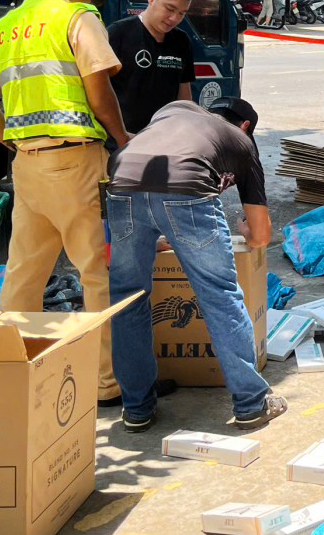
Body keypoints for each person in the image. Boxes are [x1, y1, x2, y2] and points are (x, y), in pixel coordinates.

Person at [0, 0, 132, 404]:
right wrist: (122, 137)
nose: (97, 0)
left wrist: (17, 142)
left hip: (27, 166)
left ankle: (17, 373)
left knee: (24, 273)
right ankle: (105, 383)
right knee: (95, 272)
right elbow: (99, 91)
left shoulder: (3, 29)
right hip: (75, 161)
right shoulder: (77, 17)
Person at [106, 97, 287, 432]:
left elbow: (146, 182)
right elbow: (261, 236)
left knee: (127, 300)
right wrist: (244, 229)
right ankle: (251, 403)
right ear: (245, 125)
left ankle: (136, 409)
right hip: (186, 192)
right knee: (220, 296)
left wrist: (158, 232)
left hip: (121, 184)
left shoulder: (171, 111)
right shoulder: (241, 142)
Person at [107, 0, 197, 132]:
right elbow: (100, 90)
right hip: (122, 141)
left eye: (182, 13)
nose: (174, 18)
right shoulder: (118, 34)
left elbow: (184, 97)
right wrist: (120, 136)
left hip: (163, 139)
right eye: (170, 9)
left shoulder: (181, 41)